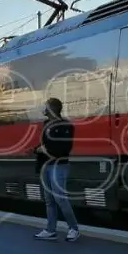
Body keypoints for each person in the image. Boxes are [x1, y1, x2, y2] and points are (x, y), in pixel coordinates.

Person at [34, 97, 80, 242]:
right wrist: (36, 149)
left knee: (60, 198)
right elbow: (44, 144)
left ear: (52, 109)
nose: (43, 108)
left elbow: (64, 148)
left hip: (59, 166)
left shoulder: (66, 125)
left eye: (46, 106)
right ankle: (50, 230)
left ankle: (74, 228)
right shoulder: (46, 124)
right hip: (46, 165)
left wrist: (45, 150)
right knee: (49, 200)